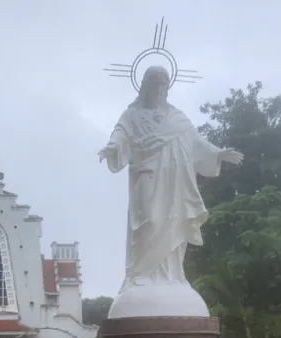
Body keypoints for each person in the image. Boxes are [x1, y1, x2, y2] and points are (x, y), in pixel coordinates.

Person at [98, 65, 243, 294]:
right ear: (145, 86)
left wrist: (217, 154)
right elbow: (120, 133)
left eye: (163, 85)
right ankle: (141, 275)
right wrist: (113, 147)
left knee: (174, 220)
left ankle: (172, 276)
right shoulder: (132, 114)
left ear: (167, 89)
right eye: (154, 84)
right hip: (147, 176)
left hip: (175, 183)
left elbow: (197, 142)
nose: (158, 89)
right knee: (151, 221)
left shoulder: (177, 117)